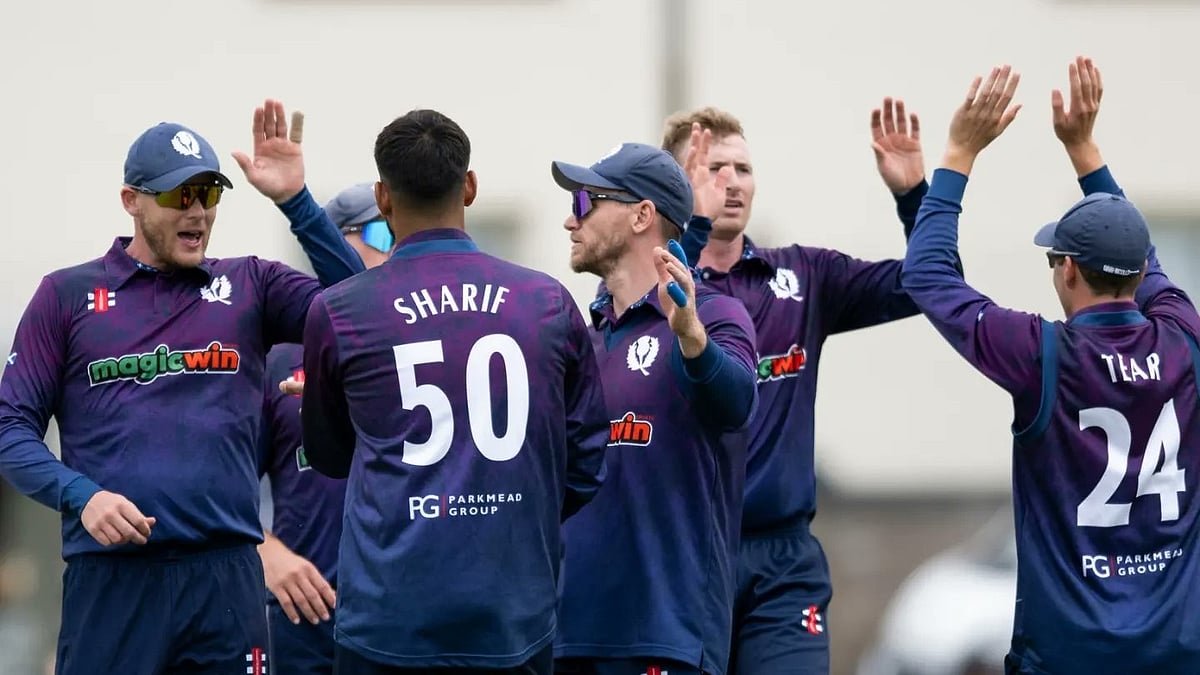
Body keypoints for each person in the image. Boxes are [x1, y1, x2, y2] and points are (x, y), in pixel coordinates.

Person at [0, 99, 358, 674]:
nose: (196, 211)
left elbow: (360, 313)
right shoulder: (66, 297)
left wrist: (296, 202)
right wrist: (80, 495)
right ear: (131, 202)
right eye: (178, 196)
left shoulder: (251, 284)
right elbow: (9, 428)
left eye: (208, 195)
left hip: (226, 578)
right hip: (113, 580)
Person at [902, 57, 1200, 673]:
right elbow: (1139, 251)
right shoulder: (1185, 340)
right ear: (1142, 276)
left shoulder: (1042, 355)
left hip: (1067, 655)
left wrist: (959, 152)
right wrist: (1085, 149)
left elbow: (927, 275)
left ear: (1066, 269)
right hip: (1178, 653)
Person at [298, 108, 610, 674]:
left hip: (386, 620)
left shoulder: (339, 310)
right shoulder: (546, 302)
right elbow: (586, 458)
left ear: (383, 197)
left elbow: (328, 454)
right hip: (514, 615)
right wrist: (514, 509)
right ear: (469, 187)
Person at [654, 101, 929, 673]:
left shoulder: (804, 277)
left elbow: (928, 283)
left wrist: (914, 197)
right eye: (713, 169)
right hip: (682, 558)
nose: (732, 182)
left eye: (744, 169)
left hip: (783, 560)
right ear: (677, 188)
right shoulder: (650, 293)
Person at [551, 142, 759, 675]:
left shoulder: (717, 314)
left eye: (584, 202)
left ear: (642, 214)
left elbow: (736, 402)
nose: (570, 220)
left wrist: (691, 335)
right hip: (567, 637)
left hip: (666, 636)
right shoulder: (579, 339)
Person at [258, 182, 390, 675]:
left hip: (402, 613)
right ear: (332, 244)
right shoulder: (282, 357)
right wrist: (266, 553)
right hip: (306, 615)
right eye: (380, 232)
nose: (395, 245)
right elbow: (216, 479)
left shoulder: (423, 351)